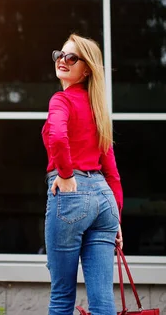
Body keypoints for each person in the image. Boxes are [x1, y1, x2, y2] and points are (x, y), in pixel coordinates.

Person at [42, 33, 123, 315]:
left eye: (71, 57)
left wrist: (64, 173)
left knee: (62, 296)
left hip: (72, 195)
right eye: (59, 55)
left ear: (86, 68)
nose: (62, 61)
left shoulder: (61, 100)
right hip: (104, 201)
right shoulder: (98, 109)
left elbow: (58, 137)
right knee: (103, 303)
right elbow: (112, 171)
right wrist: (118, 218)